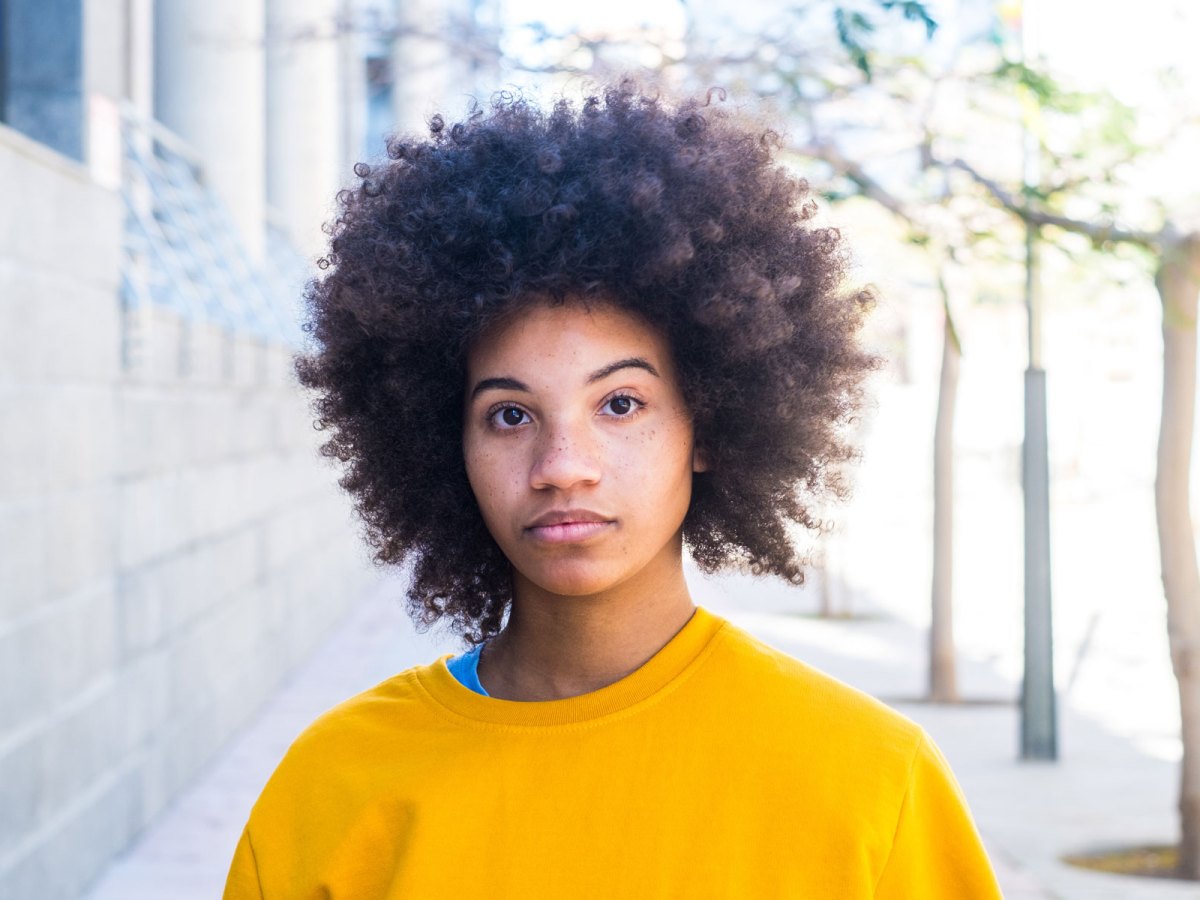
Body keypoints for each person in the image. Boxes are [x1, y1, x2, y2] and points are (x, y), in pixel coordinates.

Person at [222, 81, 1003, 898]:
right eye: (510, 414)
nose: (563, 464)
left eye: (620, 404)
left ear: (709, 423)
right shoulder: (334, 785)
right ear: (440, 442)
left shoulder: (869, 782)